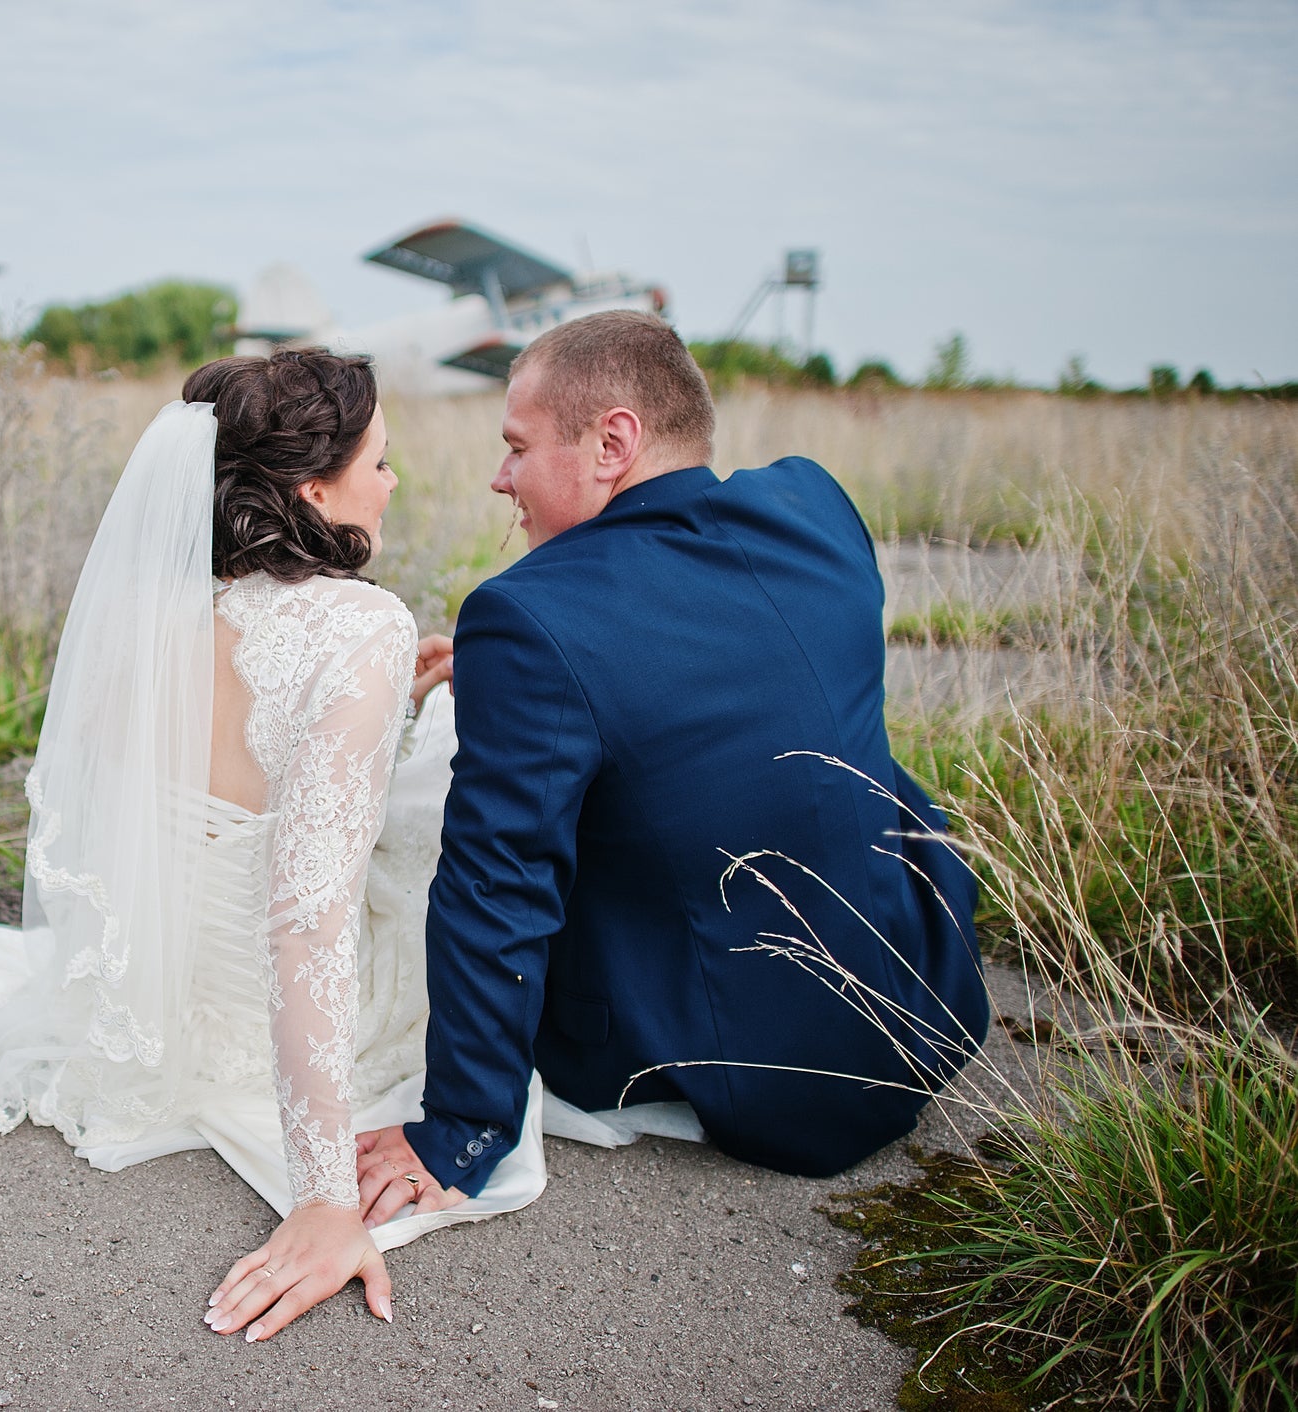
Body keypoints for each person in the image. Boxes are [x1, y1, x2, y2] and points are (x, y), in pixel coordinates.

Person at [0, 349, 546, 1348]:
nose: (391, 479)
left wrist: (377, 703)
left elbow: (187, 785)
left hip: (153, 1000)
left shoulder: (148, 618)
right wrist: (322, 1194)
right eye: (379, 460)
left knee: (424, 741)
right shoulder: (359, 623)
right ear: (312, 487)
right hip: (280, 1012)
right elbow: (306, 918)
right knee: (448, 798)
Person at [347, 311, 991, 1237]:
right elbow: (699, 671)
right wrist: (510, 682)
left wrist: (458, 1131)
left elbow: (499, 889)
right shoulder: (815, 508)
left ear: (613, 441)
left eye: (517, 448)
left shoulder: (527, 614)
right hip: (920, 992)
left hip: (770, 1077)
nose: (500, 478)